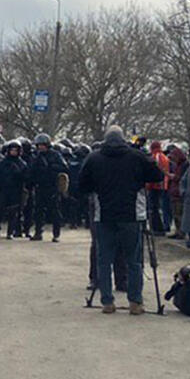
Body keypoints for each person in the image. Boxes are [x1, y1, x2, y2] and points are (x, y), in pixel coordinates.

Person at [79, 126, 163, 314]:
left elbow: (82, 185)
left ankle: (107, 302)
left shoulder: (94, 158)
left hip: (104, 214)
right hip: (132, 214)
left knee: (104, 259)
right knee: (134, 260)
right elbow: (157, 176)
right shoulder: (136, 156)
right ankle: (135, 301)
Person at [28, 134, 68, 242]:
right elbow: (32, 171)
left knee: (55, 211)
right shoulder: (36, 157)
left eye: (43, 145)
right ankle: (38, 232)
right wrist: (31, 183)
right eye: (39, 145)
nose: (41, 147)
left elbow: (64, 168)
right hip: (40, 187)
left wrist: (51, 167)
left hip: (52, 187)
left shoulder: (55, 155)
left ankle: (56, 234)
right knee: (38, 211)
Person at [0, 140, 28, 240]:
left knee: (13, 212)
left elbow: (26, 177)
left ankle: (10, 232)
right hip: (3, 189)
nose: (14, 152)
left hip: (16, 191)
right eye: (12, 150)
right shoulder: (2, 163)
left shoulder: (22, 164)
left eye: (16, 150)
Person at [145, 141, 170, 236]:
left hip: (156, 185)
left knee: (154, 208)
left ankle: (158, 228)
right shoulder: (164, 156)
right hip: (162, 185)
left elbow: (154, 171)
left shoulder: (156, 156)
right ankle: (159, 227)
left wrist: (149, 184)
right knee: (158, 207)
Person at [167, 146, 189, 239]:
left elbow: (182, 178)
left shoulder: (184, 165)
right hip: (174, 191)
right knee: (175, 213)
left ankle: (181, 232)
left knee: (179, 213)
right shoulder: (178, 165)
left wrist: (173, 177)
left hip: (179, 192)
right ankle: (177, 230)